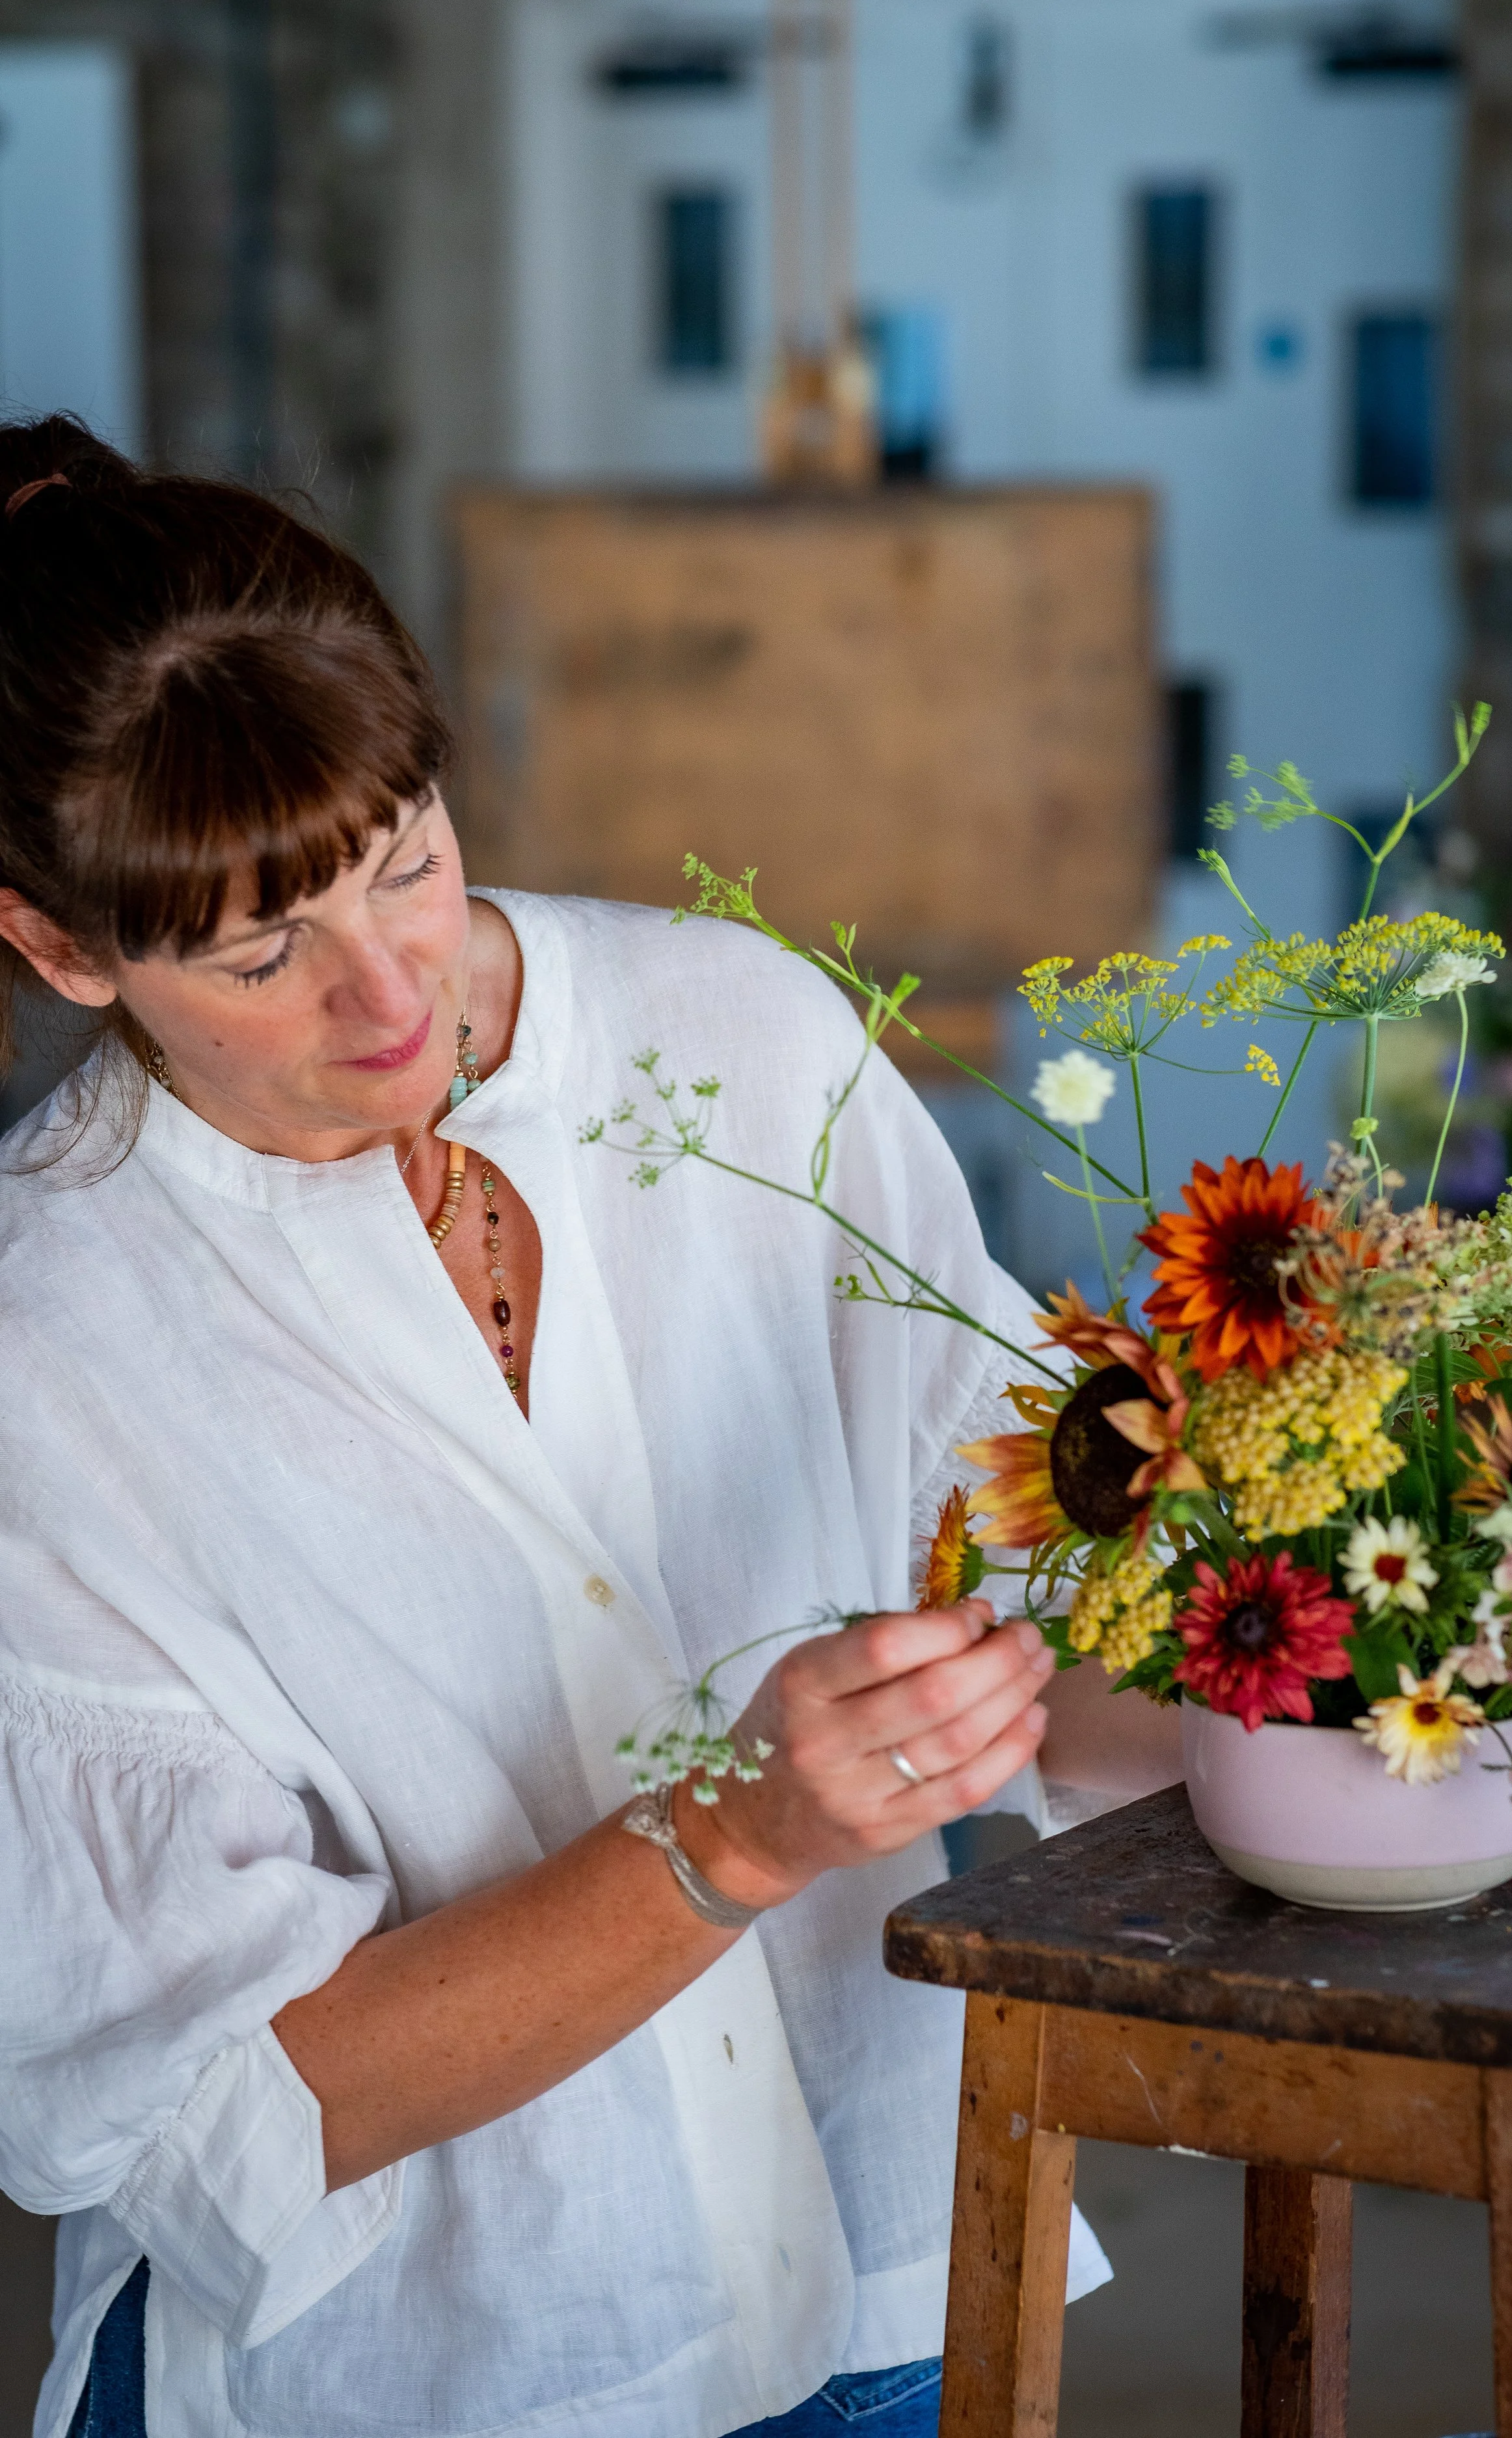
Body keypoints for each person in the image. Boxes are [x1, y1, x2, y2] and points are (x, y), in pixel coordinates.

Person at [0, 420, 1183, 2438]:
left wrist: (1340, 1660)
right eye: (263, 950)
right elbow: (225, 2128)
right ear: (61, 948)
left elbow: (1047, 1594)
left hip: (883, 2282)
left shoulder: (744, 1032)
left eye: (407, 861)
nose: (392, 996)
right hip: (424, 2381)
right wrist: (735, 1833)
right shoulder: (49, 1353)